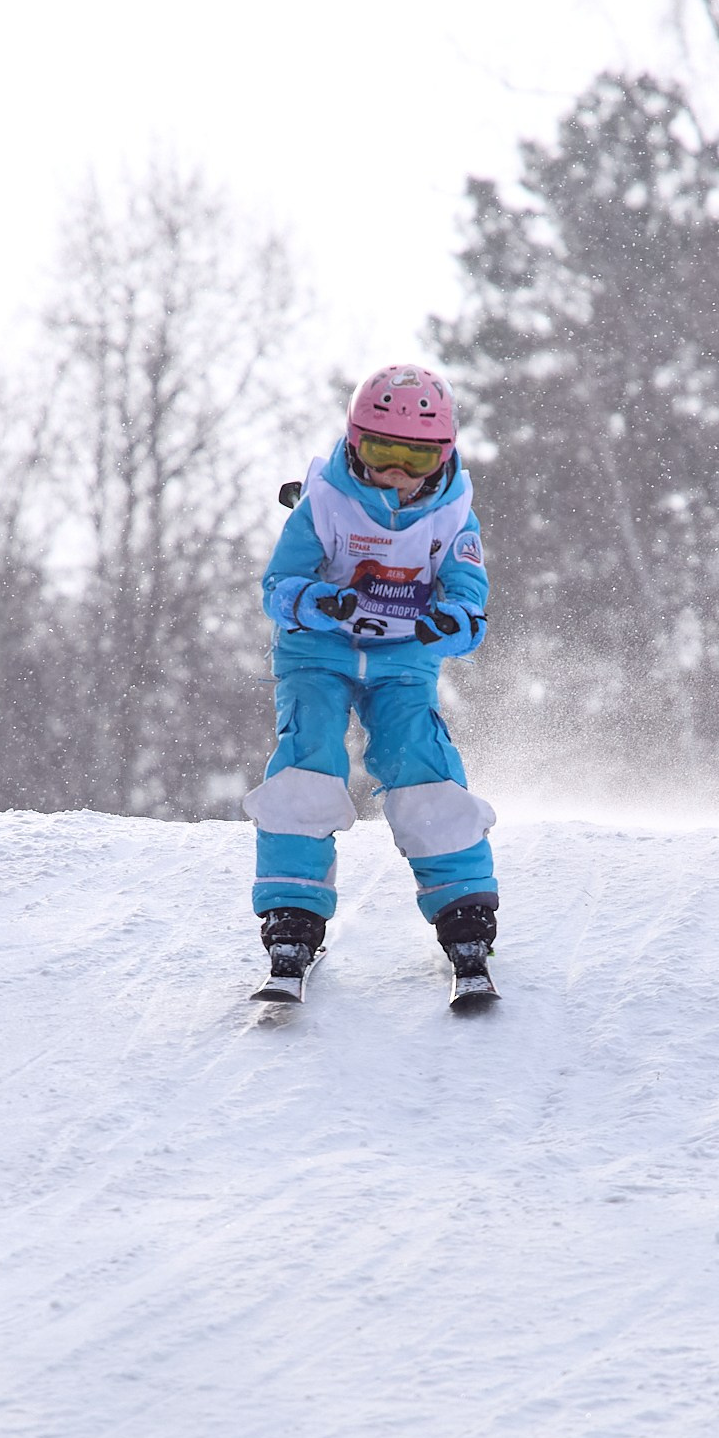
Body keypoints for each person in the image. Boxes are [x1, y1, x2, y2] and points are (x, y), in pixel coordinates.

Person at [243, 363, 497, 997]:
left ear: (443, 454)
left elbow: (471, 600)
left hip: (402, 662)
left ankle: (462, 907)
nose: (398, 474)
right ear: (357, 442)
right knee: (309, 758)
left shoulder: (451, 517)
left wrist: (452, 622)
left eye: (417, 458)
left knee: (420, 761)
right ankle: (292, 910)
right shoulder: (324, 500)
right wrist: (319, 604)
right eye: (384, 452)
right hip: (317, 656)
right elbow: (278, 587)